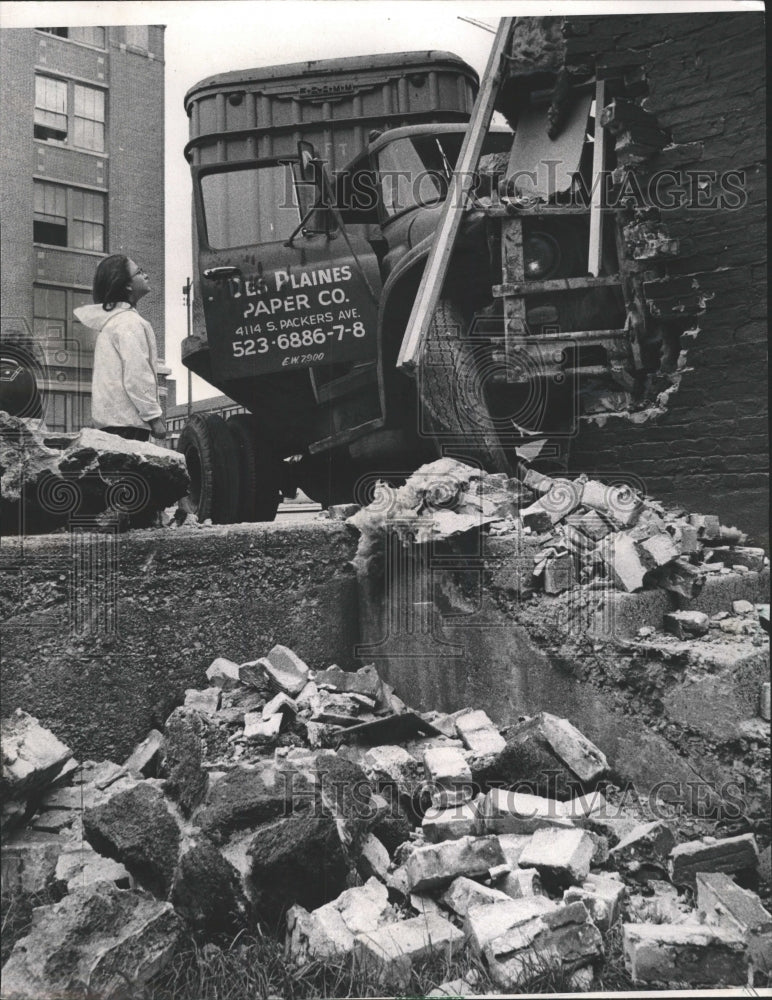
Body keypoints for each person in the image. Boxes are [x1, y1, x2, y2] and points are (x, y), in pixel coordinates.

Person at [74, 254, 166, 441]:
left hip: (111, 425)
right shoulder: (129, 322)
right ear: (127, 285)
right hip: (128, 426)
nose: (146, 275)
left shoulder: (112, 323)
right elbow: (137, 374)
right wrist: (154, 418)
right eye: (139, 272)